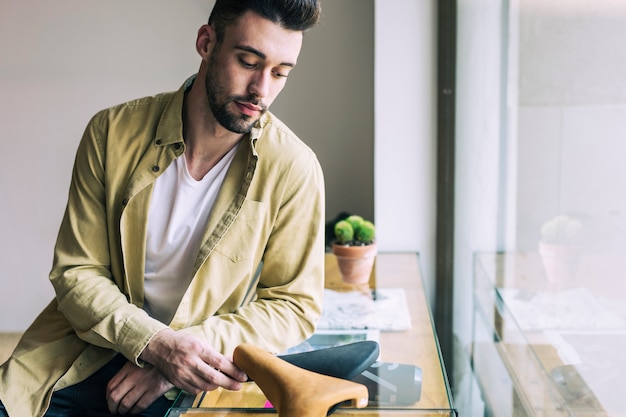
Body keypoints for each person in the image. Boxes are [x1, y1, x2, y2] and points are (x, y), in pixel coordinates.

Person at [0, 0, 324, 416]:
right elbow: (77, 271)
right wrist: (156, 346)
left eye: (280, 73)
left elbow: (292, 305)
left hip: (190, 377)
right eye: (248, 62)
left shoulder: (294, 169)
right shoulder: (111, 132)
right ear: (206, 43)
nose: (262, 89)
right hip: (76, 353)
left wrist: (179, 361)